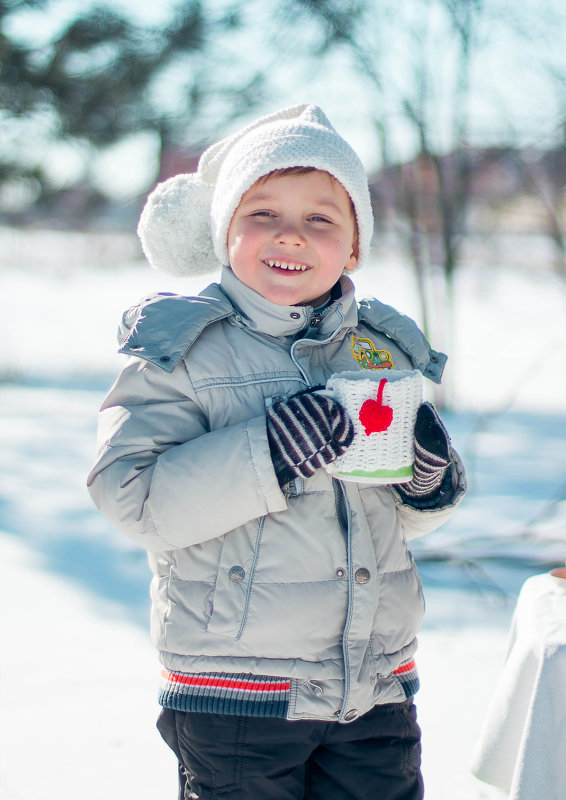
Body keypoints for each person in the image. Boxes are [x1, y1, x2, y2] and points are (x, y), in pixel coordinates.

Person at [87, 103, 466, 800]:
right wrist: (269, 450)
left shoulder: (382, 349)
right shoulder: (183, 349)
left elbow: (392, 521)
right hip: (236, 696)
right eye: (262, 213)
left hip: (372, 686)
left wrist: (424, 483)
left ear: (353, 246)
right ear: (223, 230)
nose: (291, 234)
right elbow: (132, 496)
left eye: (321, 218)